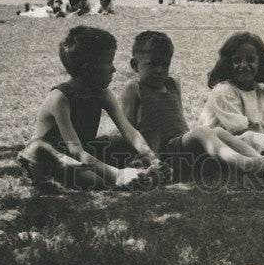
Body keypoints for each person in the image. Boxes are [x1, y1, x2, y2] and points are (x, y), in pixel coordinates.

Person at [17, 26, 165, 190]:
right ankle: (120, 179)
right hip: (55, 158)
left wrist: (151, 157)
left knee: (128, 142)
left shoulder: (102, 93)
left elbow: (129, 131)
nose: (114, 69)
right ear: (88, 69)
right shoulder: (60, 99)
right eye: (109, 62)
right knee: (41, 151)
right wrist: (117, 174)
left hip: (85, 155)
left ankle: (134, 175)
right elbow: (75, 151)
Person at [120, 31, 264, 176]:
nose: (160, 70)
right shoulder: (134, 88)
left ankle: (259, 160)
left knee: (217, 131)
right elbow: (127, 132)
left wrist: (193, 141)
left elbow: (178, 123)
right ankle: (246, 164)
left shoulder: (173, 84)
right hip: (159, 155)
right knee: (203, 131)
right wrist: (141, 161)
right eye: (153, 64)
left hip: (181, 150)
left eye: (165, 64)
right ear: (135, 65)